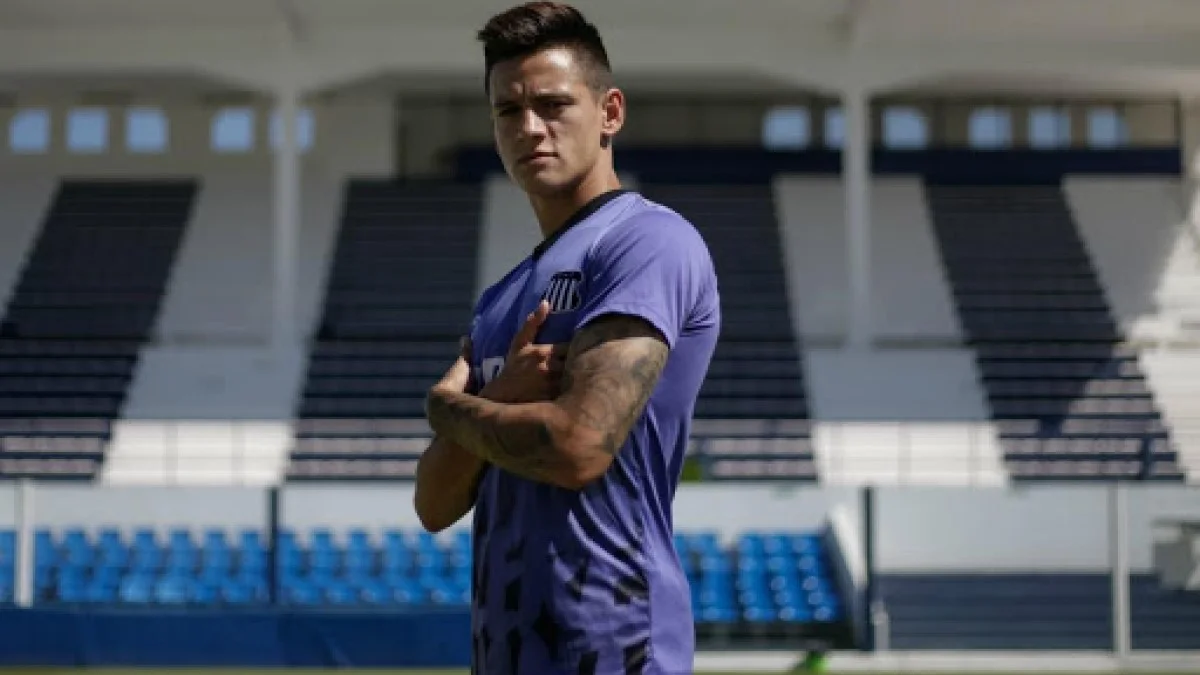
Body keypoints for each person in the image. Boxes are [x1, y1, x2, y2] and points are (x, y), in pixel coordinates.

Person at [414, 2, 721, 673]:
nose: (529, 128)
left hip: (616, 647)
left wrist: (450, 407)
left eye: (553, 105)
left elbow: (579, 447)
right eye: (507, 110)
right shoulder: (500, 298)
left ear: (610, 112)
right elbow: (433, 503)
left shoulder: (647, 243)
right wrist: (501, 396)